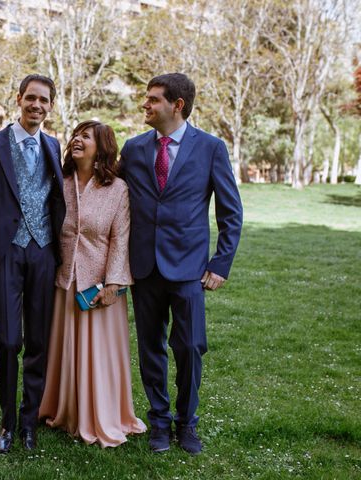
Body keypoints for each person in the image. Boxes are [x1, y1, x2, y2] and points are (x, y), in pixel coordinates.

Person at [118, 73, 243, 455]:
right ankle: (159, 421)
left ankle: (188, 423)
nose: (145, 105)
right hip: (143, 267)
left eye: (153, 99)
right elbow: (112, 193)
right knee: (150, 348)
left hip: (189, 268)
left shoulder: (210, 148)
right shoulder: (135, 148)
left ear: (177, 105)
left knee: (190, 347)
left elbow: (231, 211)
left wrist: (220, 264)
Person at [0, 74, 66, 453]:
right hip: (5, 252)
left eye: (44, 101)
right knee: (8, 341)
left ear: (50, 106)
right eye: (31, 98)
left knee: (39, 342)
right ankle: (6, 422)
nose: (37, 106)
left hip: (44, 253)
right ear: (18, 99)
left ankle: (29, 423)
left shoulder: (53, 146)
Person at [38, 120, 147, 447]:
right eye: (76, 135)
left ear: (102, 146)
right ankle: (64, 411)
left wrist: (113, 284)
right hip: (65, 280)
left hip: (99, 286)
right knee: (64, 350)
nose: (77, 140)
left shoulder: (117, 189)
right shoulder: (61, 183)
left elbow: (120, 238)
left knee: (99, 355)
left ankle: (101, 415)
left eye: (86, 136)